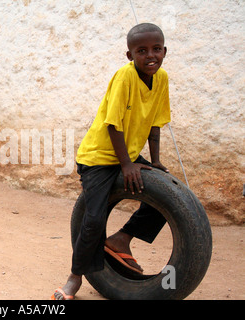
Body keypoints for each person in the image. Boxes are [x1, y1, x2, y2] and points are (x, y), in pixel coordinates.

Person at [52, 23, 171, 300]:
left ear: (164, 51)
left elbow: (155, 124)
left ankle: (120, 239)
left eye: (156, 49)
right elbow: (112, 125)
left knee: (167, 195)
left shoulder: (162, 77)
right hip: (99, 157)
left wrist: (156, 162)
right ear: (130, 55)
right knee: (94, 219)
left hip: (127, 155)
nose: (150, 55)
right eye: (142, 51)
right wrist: (127, 165)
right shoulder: (124, 77)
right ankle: (74, 277)